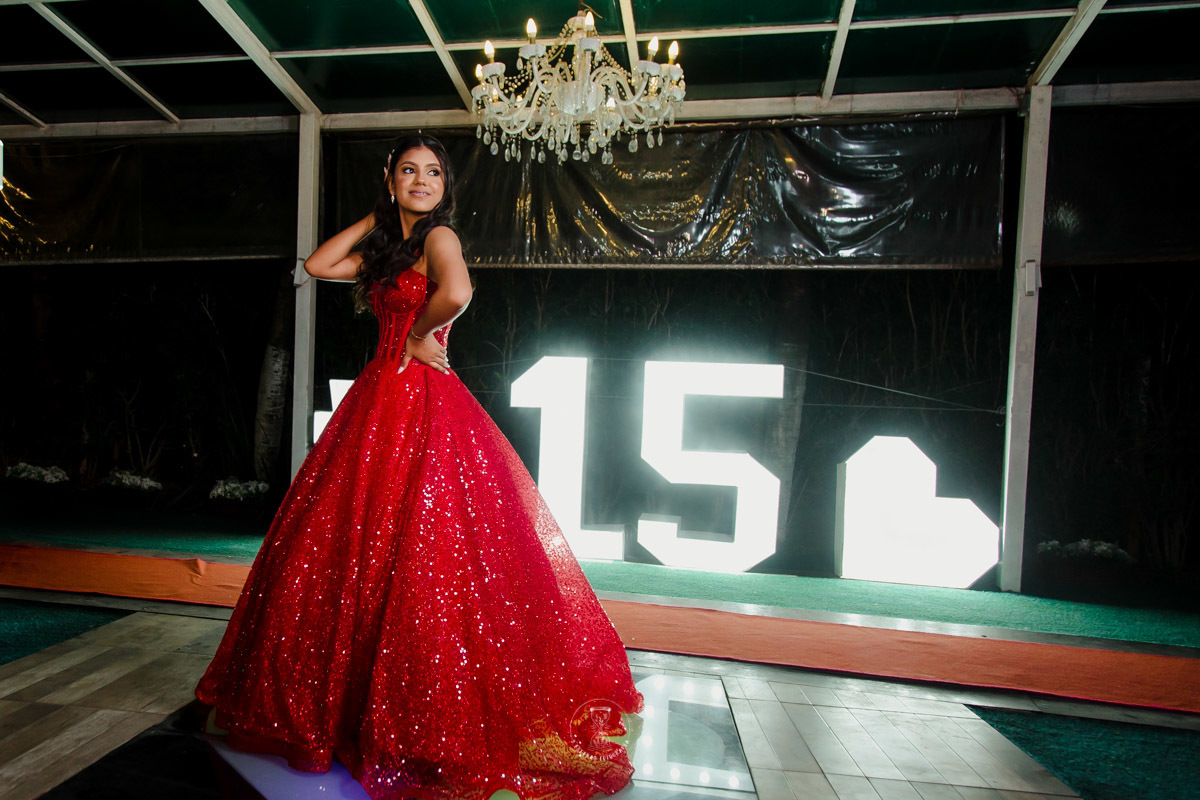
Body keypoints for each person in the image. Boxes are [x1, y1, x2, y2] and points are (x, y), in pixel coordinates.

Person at [195, 134, 644, 800]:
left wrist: (416, 334)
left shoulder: (440, 239)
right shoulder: (390, 249)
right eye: (409, 171)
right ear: (390, 178)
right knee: (361, 549)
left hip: (421, 400)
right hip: (379, 401)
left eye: (433, 172)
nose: (422, 180)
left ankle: (418, 714)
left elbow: (457, 290)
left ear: (445, 185)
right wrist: (379, 218)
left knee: (421, 552)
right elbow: (319, 265)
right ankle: (353, 708)